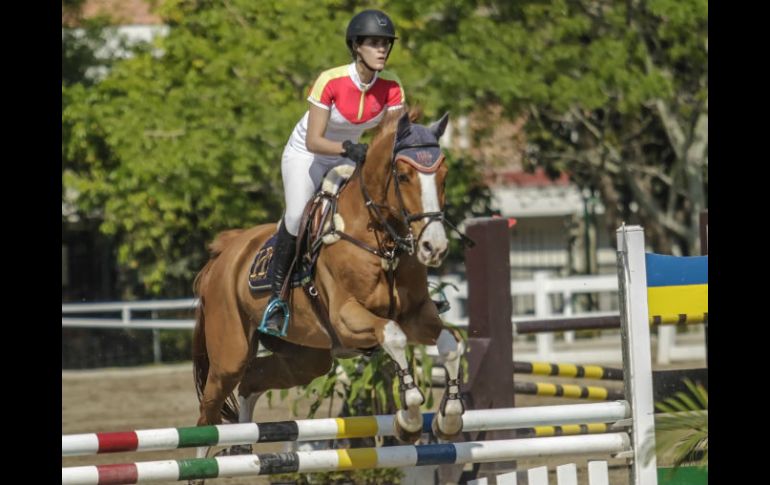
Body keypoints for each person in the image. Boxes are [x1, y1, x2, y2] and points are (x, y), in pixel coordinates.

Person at [259, 9, 405, 336]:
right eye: (374, 43)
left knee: (389, 207)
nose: (382, 49)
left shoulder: (392, 89)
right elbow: (314, 139)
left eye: (385, 44)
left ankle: (410, 291)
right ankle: (277, 300)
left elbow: (394, 140)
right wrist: (348, 150)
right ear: (356, 47)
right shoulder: (331, 80)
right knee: (297, 215)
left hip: (349, 156)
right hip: (307, 155)